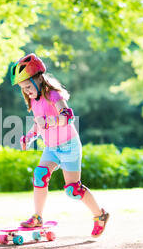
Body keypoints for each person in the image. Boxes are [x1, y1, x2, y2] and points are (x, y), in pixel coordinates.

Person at [11, 53, 109, 238]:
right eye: (22, 88)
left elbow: (67, 117)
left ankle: (100, 215)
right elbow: (38, 124)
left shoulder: (53, 94)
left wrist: (48, 122)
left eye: (27, 86)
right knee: (40, 175)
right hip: (51, 148)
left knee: (73, 190)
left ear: (39, 78)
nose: (26, 91)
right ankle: (38, 217)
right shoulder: (34, 100)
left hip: (69, 146)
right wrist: (29, 136)